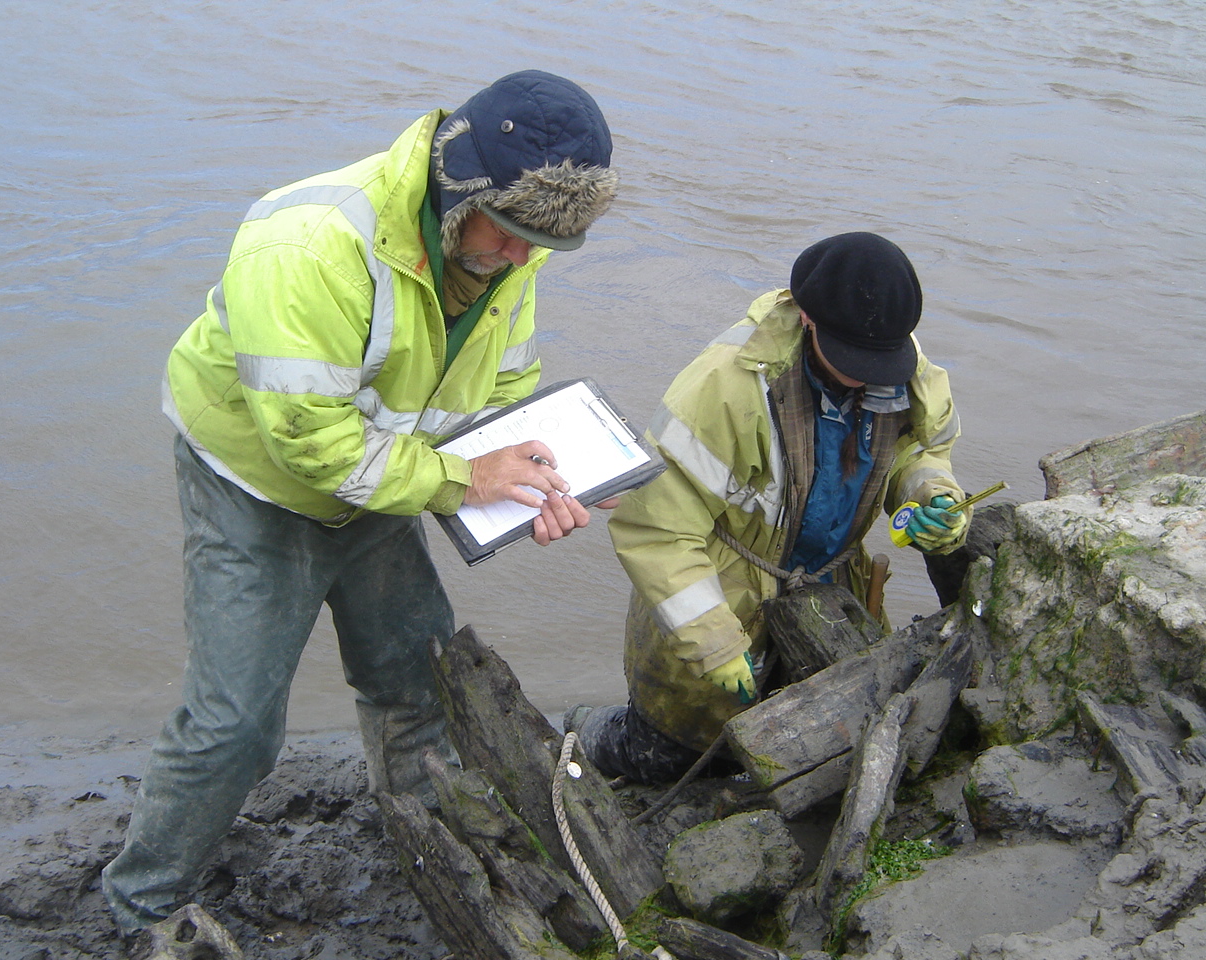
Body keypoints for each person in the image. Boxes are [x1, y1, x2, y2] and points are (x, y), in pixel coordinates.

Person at [102, 69, 619, 935]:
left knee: (420, 681)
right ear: (461, 189)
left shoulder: (506, 251)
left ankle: (425, 844)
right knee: (234, 726)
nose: (524, 259)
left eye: (544, 246)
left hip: (387, 479)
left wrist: (536, 472)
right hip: (255, 488)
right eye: (514, 233)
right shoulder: (307, 245)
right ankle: (140, 905)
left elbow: (509, 384)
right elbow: (309, 443)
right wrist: (465, 481)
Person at [569, 232, 968, 784]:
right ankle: (582, 727)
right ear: (807, 320)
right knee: (670, 755)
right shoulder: (723, 387)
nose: (871, 375)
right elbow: (655, 527)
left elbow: (921, 451)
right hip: (724, 594)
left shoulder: (898, 362)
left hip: (831, 591)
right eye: (855, 360)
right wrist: (714, 641)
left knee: (808, 745)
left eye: (882, 362)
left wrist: (928, 492)